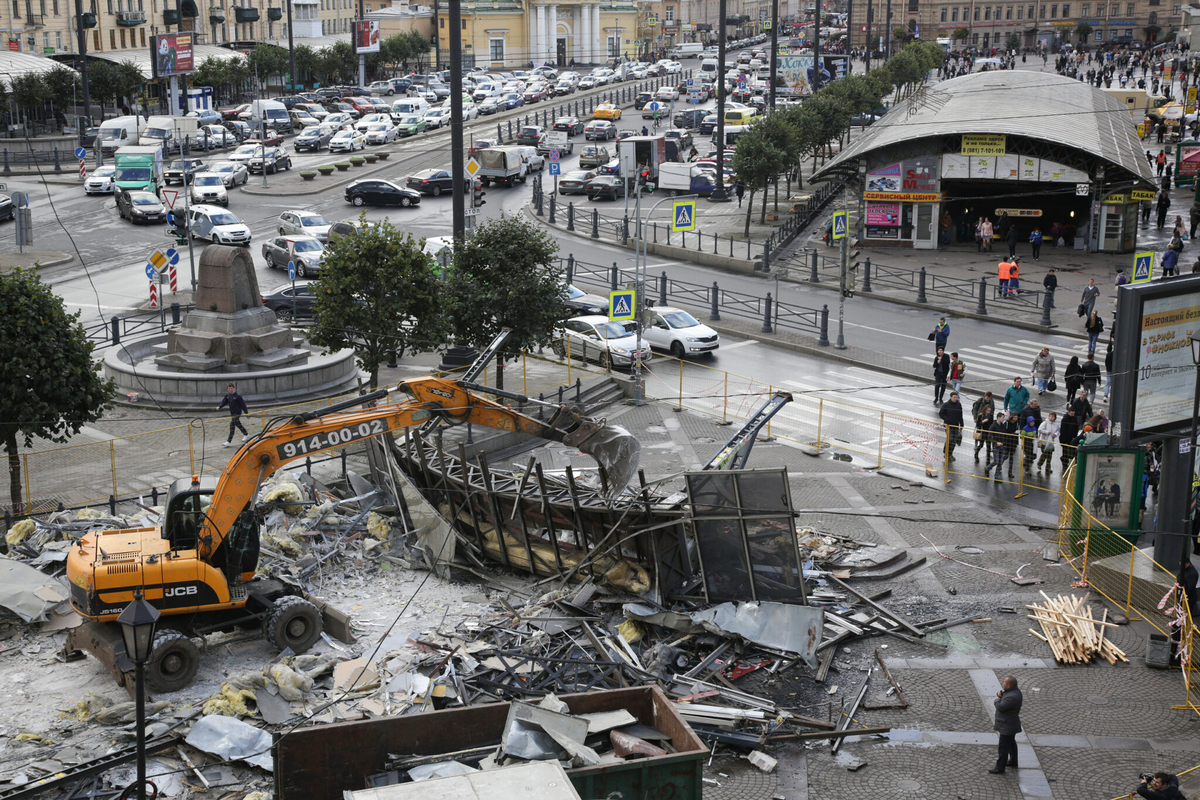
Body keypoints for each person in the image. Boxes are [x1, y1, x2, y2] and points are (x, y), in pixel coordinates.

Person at [988, 676, 1023, 774]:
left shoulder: (1012, 697)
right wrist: (1000, 696)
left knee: (1003, 747)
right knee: (1011, 743)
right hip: (1010, 724)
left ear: (1009, 685)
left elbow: (1000, 707)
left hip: (1007, 725)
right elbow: (1003, 695)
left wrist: (997, 700)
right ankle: (1013, 761)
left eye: (1004, 683)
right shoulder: (1013, 692)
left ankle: (1000, 767)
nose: (1003, 684)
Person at [984, 412, 1016, 479]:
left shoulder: (1003, 426)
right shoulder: (993, 426)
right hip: (996, 446)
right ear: (998, 417)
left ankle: (996, 476)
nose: (1003, 419)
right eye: (1002, 418)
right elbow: (989, 436)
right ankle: (987, 468)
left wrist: (1005, 443)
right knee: (996, 461)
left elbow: (1005, 434)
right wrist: (996, 443)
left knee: (1000, 461)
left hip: (1003, 445)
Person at [939, 391, 964, 460]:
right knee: (949, 439)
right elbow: (941, 414)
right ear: (951, 397)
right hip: (948, 425)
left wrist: (962, 424)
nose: (956, 398)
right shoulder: (946, 405)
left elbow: (960, 415)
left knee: (954, 440)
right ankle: (946, 452)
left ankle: (950, 454)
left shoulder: (958, 405)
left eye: (957, 397)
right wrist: (947, 419)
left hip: (956, 425)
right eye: (954, 397)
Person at [973, 392, 995, 462]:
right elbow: (978, 424)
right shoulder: (981, 415)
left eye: (990, 410)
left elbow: (991, 423)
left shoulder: (990, 416)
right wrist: (982, 421)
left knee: (988, 446)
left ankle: (988, 459)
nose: (989, 412)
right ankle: (976, 454)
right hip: (982, 432)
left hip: (988, 432)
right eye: (988, 410)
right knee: (981, 445)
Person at [1059, 406, 1080, 471]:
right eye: (1071, 413)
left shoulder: (1075, 418)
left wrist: (1075, 436)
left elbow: (1076, 427)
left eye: (1073, 413)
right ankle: (1064, 462)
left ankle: (1065, 460)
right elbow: (1063, 430)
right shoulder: (1065, 419)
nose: (1072, 415)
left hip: (1072, 437)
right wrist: (1063, 439)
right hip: (1065, 438)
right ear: (1068, 412)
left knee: (1070, 451)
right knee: (1065, 451)